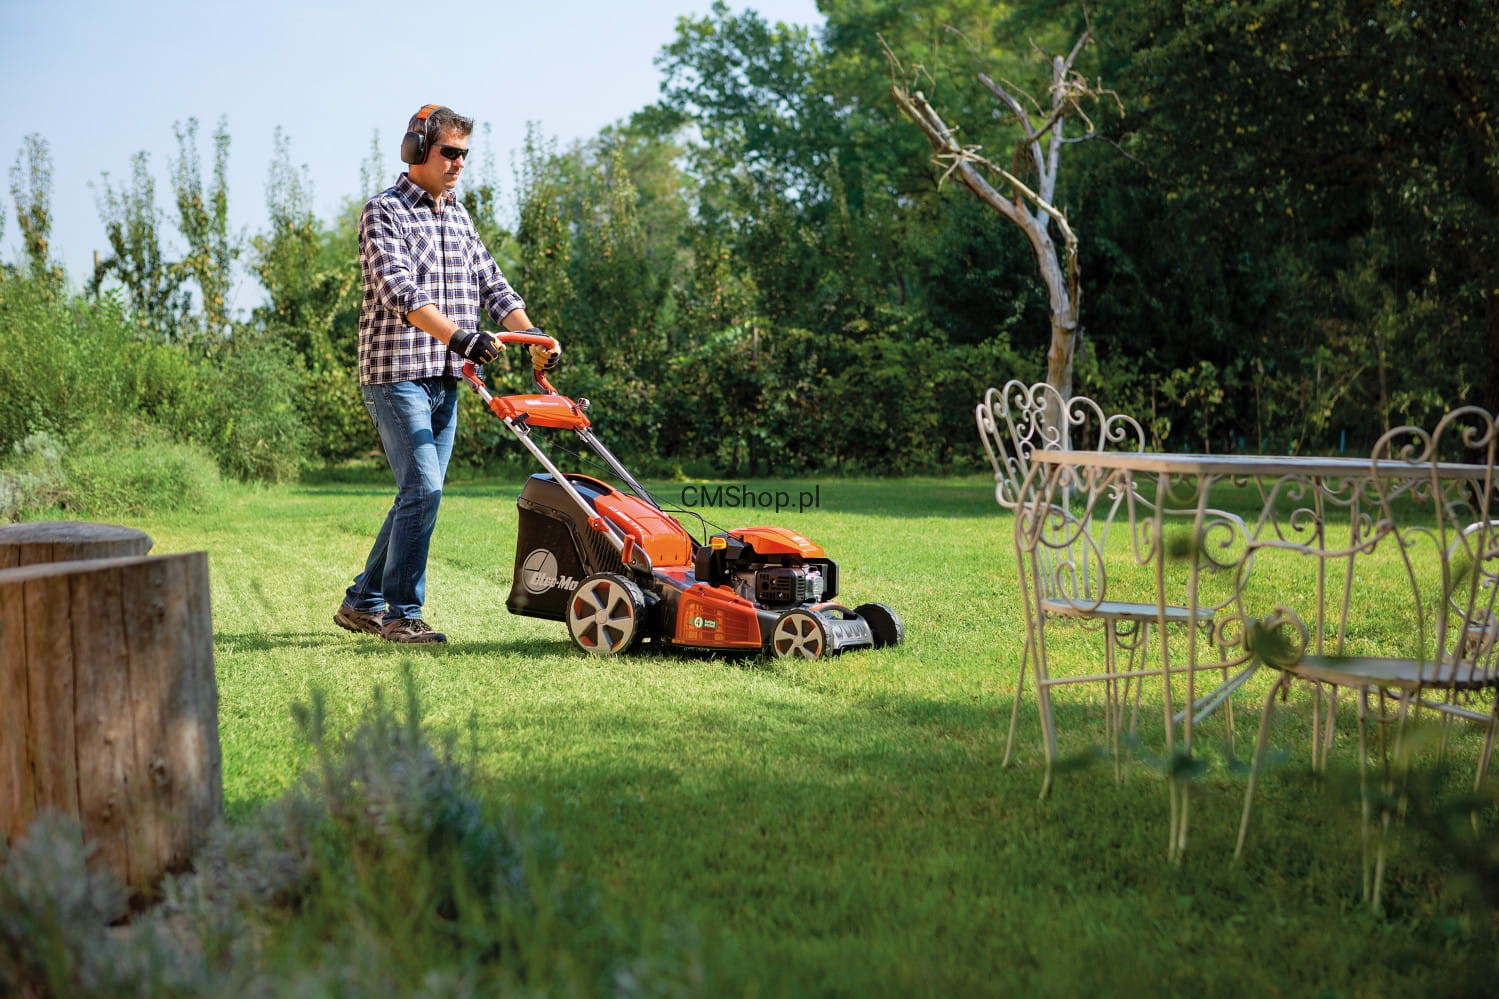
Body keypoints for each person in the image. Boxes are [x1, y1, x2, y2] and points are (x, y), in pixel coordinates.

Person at [335, 103, 559, 644]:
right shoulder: (383, 211)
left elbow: (493, 285)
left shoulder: (458, 216)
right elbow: (398, 291)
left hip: (445, 378)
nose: (458, 163)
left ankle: (362, 601)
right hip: (396, 373)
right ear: (416, 150)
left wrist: (534, 339)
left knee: (418, 494)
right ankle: (402, 616)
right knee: (424, 489)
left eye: (464, 154)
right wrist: (460, 336)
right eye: (449, 152)